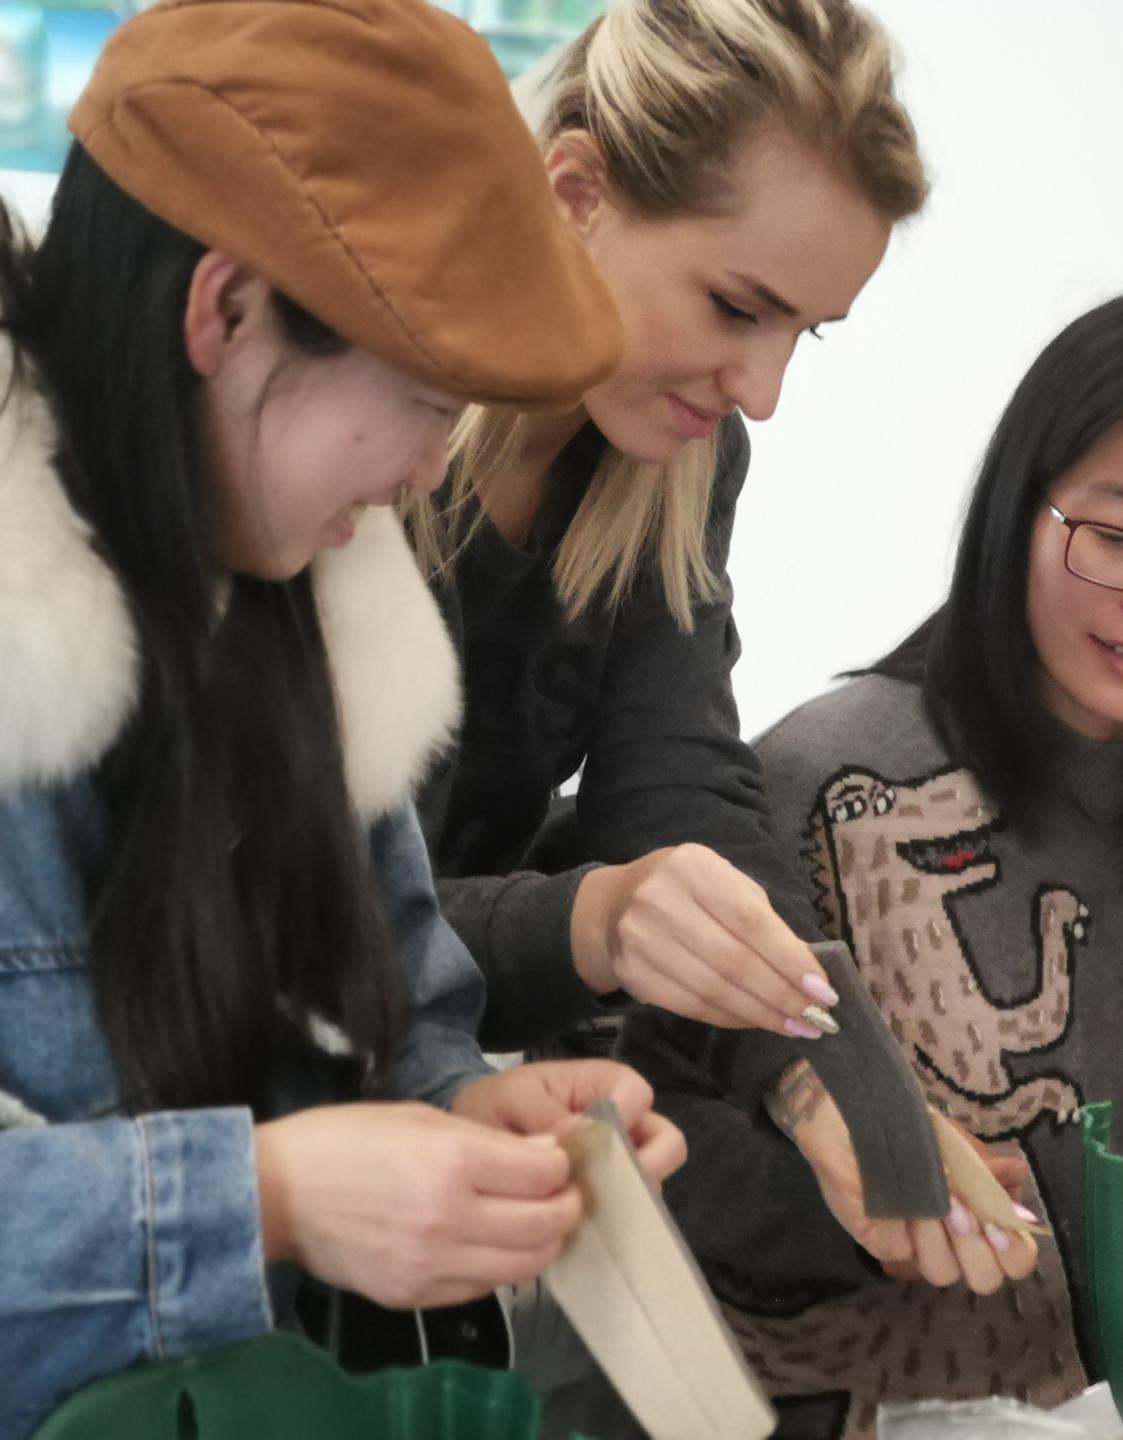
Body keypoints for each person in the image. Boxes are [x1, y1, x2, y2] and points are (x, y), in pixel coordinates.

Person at [0, 2, 683, 1432]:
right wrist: (267, 1198)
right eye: (427, 404)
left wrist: (464, 1116)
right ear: (225, 311)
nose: (430, 475)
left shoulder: (326, 627)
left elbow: (399, 1015)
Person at [670, 291, 1123, 1438]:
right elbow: (665, 1155)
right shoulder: (824, 779)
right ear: (1019, 509)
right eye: (1118, 539)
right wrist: (863, 1185)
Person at [408, 0, 929, 1058]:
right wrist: (596, 921)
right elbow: (309, 924)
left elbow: (680, 791)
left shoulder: (680, 462)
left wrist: (840, 1083)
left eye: (804, 333)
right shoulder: (355, 435)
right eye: (738, 308)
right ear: (577, 196)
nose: (762, 394)